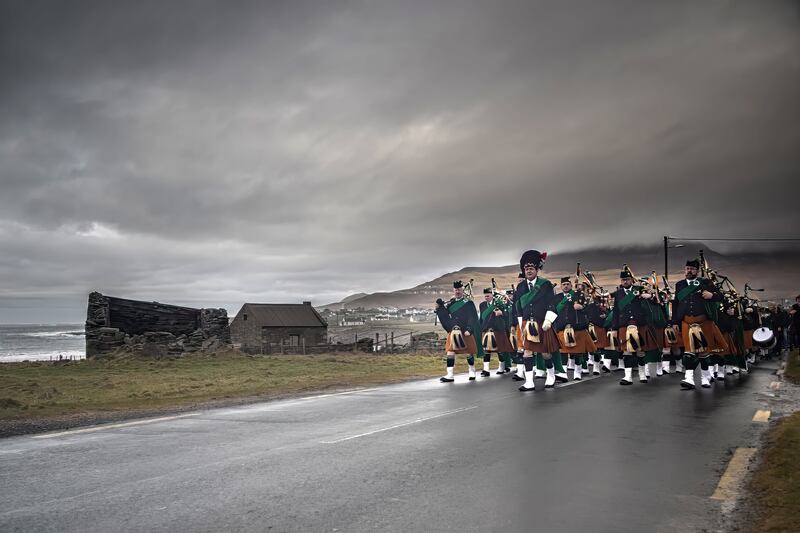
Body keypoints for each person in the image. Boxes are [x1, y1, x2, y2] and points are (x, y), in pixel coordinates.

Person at [671, 259, 726, 389]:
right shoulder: (680, 285)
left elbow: (720, 296)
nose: (689, 271)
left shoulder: (705, 282)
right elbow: (676, 303)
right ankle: (689, 379)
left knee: (704, 353)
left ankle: (705, 377)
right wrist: (675, 322)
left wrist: (711, 295)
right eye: (687, 268)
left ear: (697, 271)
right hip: (686, 322)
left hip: (703, 321)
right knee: (689, 352)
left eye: (692, 269)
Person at [513, 249, 561, 391]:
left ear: (536, 270)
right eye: (526, 268)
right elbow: (517, 306)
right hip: (528, 323)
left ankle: (551, 375)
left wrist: (548, 320)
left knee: (545, 353)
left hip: (543, 322)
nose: (528, 271)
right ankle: (529, 382)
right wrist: (520, 323)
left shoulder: (545, 284)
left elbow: (552, 303)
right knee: (527, 351)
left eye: (531, 268)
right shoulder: (520, 286)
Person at [611, 270, 658, 385]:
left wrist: (650, 296)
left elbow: (656, 301)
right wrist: (614, 328)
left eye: (627, 279)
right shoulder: (618, 294)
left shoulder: (639, 290)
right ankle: (628, 377)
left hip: (639, 323)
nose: (625, 282)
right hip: (624, 325)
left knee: (640, 351)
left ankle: (642, 374)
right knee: (626, 351)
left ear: (631, 280)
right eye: (623, 280)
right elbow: (616, 312)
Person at [435, 280, 482, 383]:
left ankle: (472, 370)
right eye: (456, 290)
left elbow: (472, 317)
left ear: (462, 290)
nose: (457, 291)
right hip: (454, 331)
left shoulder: (468, 303)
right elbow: (446, 316)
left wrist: (469, 329)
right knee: (450, 352)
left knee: (469, 353)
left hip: (465, 331)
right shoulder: (451, 303)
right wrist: (440, 307)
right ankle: (450, 375)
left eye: (459, 290)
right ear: (454, 290)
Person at [554, 277, 596, 380]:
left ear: (571, 285)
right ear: (561, 286)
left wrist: (582, 308)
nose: (566, 286)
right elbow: (554, 311)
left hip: (577, 327)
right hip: (562, 327)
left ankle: (577, 373)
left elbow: (589, 310)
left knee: (578, 352)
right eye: (564, 284)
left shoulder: (579, 295)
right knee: (563, 353)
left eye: (568, 284)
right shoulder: (557, 298)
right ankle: (563, 373)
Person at [479, 288, 515, 375]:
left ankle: (501, 367)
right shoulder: (482, 305)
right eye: (485, 296)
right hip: (486, 330)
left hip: (498, 329)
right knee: (486, 350)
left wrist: (501, 313)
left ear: (492, 295)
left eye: (488, 296)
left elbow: (508, 314)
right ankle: (486, 370)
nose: (486, 297)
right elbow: (481, 318)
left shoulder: (499, 303)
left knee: (500, 350)